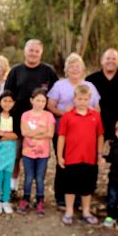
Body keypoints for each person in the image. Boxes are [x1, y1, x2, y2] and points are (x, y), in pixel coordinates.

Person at [4, 39, 58, 195]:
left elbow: (55, 95)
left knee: (38, 159)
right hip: (18, 123)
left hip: (42, 124)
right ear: (25, 51)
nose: (33, 53)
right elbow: (7, 95)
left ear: (41, 53)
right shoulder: (16, 71)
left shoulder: (48, 72)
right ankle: (13, 187)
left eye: (36, 51)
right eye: (31, 50)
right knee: (16, 156)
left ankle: (36, 193)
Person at [47, 52, 100, 210]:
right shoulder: (59, 85)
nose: (75, 69)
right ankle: (62, 198)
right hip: (63, 131)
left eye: (78, 66)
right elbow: (50, 106)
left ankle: (79, 199)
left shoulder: (89, 86)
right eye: (71, 66)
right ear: (66, 69)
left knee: (82, 166)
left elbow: (97, 109)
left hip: (85, 134)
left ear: (83, 69)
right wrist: (66, 114)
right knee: (63, 163)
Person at [57, 84, 104, 225]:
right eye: (80, 99)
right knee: (70, 187)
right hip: (72, 158)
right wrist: (60, 156)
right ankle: (69, 211)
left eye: (85, 99)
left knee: (87, 188)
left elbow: (100, 136)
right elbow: (61, 137)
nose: (82, 101)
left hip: (90, 159)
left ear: (90, 99)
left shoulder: (95, 115)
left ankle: (86, 211)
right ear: (75, 99)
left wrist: (100, 154)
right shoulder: (68, 116)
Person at [17, 88, 55, 217]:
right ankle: (26, 199)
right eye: (38, 100)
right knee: (28, 177)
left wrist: (33, 133)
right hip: (28, 152)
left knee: (39, 178)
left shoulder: (49, 116)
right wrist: (41, 132)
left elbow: (50, 133)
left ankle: (39, 200)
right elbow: (24, 133)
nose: (40, 103)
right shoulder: (26, 115)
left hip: (43, 153)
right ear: (32, 100)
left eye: (43, 101)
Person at [86, 48, 118, 142]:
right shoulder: (91, 80)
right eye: (108, 58)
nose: (111, 61)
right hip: (97, 125)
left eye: (114, 59)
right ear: (102, 61)